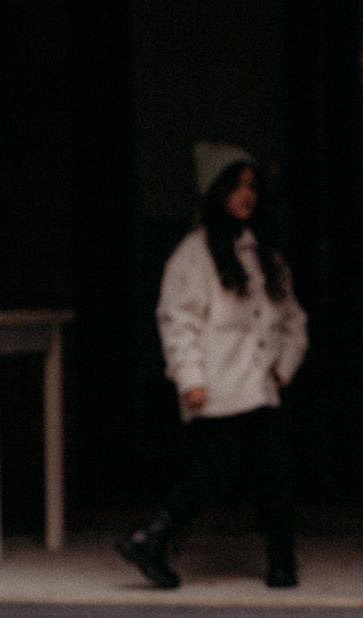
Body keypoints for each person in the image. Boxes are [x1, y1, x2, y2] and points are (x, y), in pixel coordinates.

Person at [117, 144, 309, 590]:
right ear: (215, 191)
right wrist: (191, 379)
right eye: (236, 185)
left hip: (260, 387)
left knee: (274, 474)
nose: (247, 195)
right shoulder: (195, 254)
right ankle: (152, 536)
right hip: (218, 388)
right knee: (213, 472)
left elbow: (292, 320)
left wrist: (284, 366)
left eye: (252, 186)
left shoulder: (263, 254)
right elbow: (177, 319)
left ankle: (282, 561)